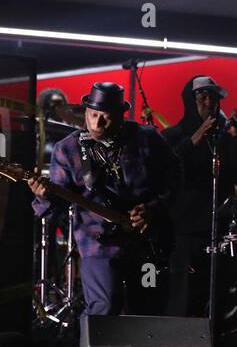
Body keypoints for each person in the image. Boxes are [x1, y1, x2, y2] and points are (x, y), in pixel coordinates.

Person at [28, 82, 176, 316]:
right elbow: (51, 208)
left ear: (120, 116)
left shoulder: (146, 139)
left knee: (149, 311)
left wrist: (153, 209)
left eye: (105, 116)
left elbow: (175, 181)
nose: (97, 123)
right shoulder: (68, 150)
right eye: (93, 114)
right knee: (103, 308)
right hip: (97, 243)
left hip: (147, 243)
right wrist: (43, 196)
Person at [162, 75, 237, 317]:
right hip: (185, 231)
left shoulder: (225, 137)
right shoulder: (173, 135)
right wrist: (197, 137)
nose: (209, 102)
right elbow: (168, 170)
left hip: (220, 230)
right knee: (184, 299)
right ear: (190, 101)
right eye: (202, 97)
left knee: (218, 300)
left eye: (213, 97)